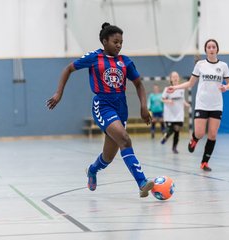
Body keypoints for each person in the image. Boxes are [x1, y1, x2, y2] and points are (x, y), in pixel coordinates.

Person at [46, 22, 154, 197]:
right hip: (103, 106)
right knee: (125, 140)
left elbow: (139, 84)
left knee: (108, 157)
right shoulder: (94, 58)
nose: (119, 45)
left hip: (121, 108)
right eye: (115, 42)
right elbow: (68, 69)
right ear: (104, 41)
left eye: (121, 42)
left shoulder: (125, 61)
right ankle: (142, 182)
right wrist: (59, 93)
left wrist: (143, 107)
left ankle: (92, 170)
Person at [166, 39, 229, 171]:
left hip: (217, 105)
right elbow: (190, 83)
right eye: (209, 47)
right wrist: (176, 87)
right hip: (202, 104)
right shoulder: (200, 65)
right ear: (206, 50)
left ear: (217, 49)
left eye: (214, 47)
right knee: (200, 133)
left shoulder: (223, 66)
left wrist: (226, 87)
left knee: (212, 135)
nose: (211, 49)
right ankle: (194, 139)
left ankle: (204, 162)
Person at [161, 71, 190, 154]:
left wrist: (186, 104)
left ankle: (174, 147)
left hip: (179, 113)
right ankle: (166, 136)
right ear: (171, 79)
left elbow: (182, 99)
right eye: (173, 77)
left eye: (177, 76)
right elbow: (162, 99)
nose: (175, 78)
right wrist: (168, 101)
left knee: (177, 130)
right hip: (170, 113)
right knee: (172, 128)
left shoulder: (181, 89)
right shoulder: (167, 89)